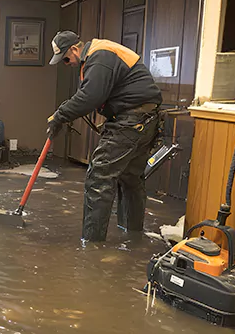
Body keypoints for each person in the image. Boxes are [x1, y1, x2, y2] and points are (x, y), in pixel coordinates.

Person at [47, 30, 163, 242]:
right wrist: (62, 114)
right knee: (130, 178)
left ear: (75, 49)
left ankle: (91, 246)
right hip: (144, 119)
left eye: (65, 58)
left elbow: (90, 96)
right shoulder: (101, 54)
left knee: (99, 176)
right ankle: (132, 237)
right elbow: (93, 95)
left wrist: (60, 116)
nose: (67, 63)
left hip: (131, 121)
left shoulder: (99, 57)